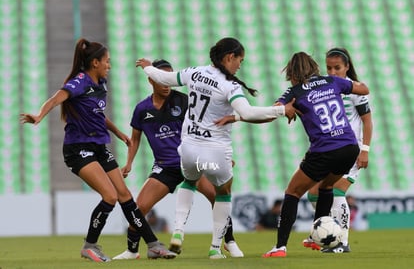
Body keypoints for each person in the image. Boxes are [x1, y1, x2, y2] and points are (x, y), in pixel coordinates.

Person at [136, 37, 297, 259]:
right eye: (240, 60)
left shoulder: (194, 72)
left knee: (189, 182)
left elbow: (162, 77)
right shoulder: (229, 86)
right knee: (223, 193)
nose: (240, 65)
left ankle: (178, 231)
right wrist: (281, 110)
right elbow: (249, 113)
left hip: (189, 149)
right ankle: (215, 248)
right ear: (229, 57)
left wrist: (147, 67)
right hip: (216, 151)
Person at [20, 38, 176, 262]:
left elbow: (97, 115)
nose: (109, 66)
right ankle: (89, 246)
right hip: (78, 149)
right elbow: (57, 98)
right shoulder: (80, 81)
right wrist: (39, 115)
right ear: (95, 63)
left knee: (125, 196)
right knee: (110, 196)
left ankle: (153, 245)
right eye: (107, 61)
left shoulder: (100, 85)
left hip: (99, 147)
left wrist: (119, 133)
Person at [112, 59, 243, 259]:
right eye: (162, 80)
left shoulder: (184, 100)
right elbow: (135, 139)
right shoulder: (141, 109)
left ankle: (229, 241)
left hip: (193, 161)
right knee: (139, 208)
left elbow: (207, 125)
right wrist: (129, 162)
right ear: (151, 80)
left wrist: (221, 154)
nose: (167, 85)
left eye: (169, 79)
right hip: (166, 167)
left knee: (217, 197)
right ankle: (132, 250)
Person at [262, 51, 369, 258]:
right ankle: (315, 235)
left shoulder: (294, 91)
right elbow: (364, 89)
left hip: (324, 149)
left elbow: (274, 111)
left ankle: (280, 247)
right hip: (349, 148)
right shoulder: (332, 81)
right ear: (313, 67)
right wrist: (341, 86)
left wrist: (288, 107)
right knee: (326, 186)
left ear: (292, 72)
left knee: (292, 192)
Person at [303, 47, 372, 253]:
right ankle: (325, 233)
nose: (333, 72)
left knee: (337, 190)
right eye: (329, 68)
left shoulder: (354, 90)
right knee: (314, 193)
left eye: (337, 68)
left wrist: (365, 150)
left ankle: (342, 241)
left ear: (347, 67)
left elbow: (367, 122)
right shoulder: (326, 86)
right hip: (331, 147)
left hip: (352, 147)